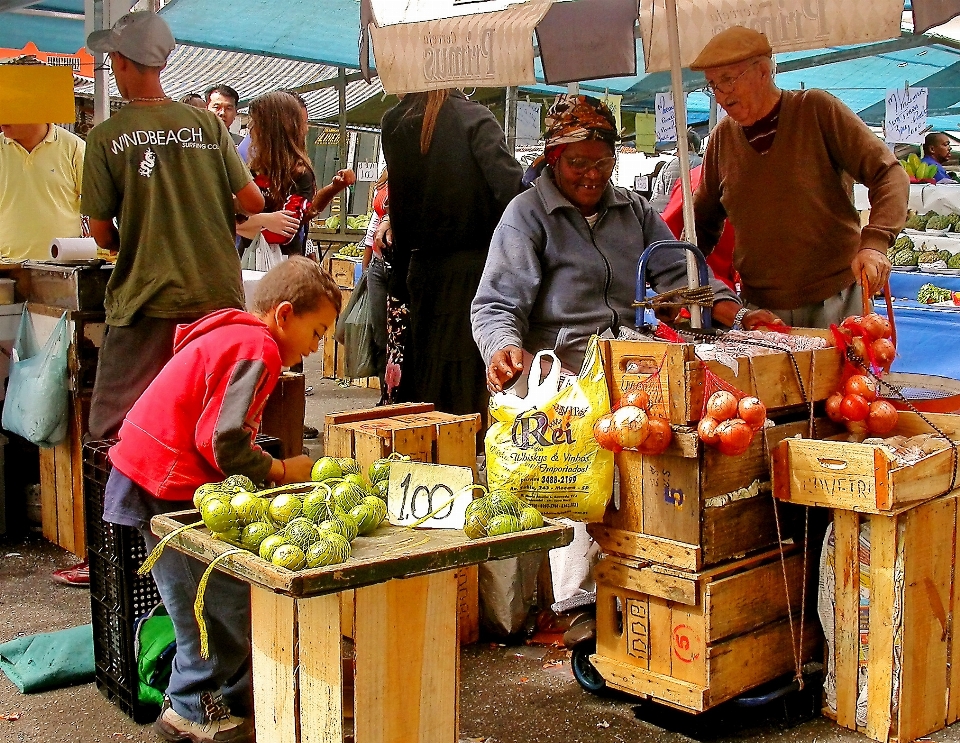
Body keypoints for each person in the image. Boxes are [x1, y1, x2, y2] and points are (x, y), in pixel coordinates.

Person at [102, 257, 340, 743]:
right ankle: (190, 709)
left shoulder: (234, 335)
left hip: (149, 474)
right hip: (161, 486)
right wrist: (277, 470)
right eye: (316, 333)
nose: (316, 348)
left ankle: (216, 696)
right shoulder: (259, 350)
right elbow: (222, 441)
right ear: (285, 315)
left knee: (202, 599)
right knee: (216, 605)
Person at [472, 94, 769, 392]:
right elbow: (496, 305)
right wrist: (502, 344)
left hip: (632, 368)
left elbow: (682, 274)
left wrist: (741, 315)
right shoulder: (526, 215)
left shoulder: (634, 209)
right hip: (559, 376)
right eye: (578, 163)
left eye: (603, 163)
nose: (592, 174)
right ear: (554, 158)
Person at [82, 11, 265, 442]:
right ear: (162, 64)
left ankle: (126, 510)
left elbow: (102, 232)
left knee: (112, 428)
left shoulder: (107, 136)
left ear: (121, 62)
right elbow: (253, 201)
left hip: (149, 298)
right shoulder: (206, 124)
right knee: (207, 420)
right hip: (217, 296)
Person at [692, 26, 909, 328]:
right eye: (712, 85)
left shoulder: (816, 110)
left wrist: (875, 242)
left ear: (764, 72)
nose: (721, 94)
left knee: (845, 377)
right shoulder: (721, 139)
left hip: (836, 299)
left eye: (728, 80)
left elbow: (888, 172)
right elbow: (701, 221)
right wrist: (681, 271)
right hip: (762, 310)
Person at [381, 89, 523, 416]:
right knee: (468, 381)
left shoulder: (395, 121)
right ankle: (466, 457)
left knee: (429, 377)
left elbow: (399, 207)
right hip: (474, 273)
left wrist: (399, 279)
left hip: (420, 272)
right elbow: (512, 193)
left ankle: (434, 453)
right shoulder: (474, 117)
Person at [236, 91, 355, 259]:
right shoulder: (246, 162)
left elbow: (286, 229)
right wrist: (264, 220)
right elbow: (223, 217)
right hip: (247, 258)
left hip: (283, 263)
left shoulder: (299, 172)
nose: (250, 128)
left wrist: (249, 222)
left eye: (254, 122)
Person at [0, 120, 84, 262]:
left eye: (11, 109)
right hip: (6, 265)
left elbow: (98, 205)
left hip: (63, 264)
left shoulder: (74, 147)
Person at [361, 170, 389, 400]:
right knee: (380, 335)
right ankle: (386, 392)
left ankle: (401, 394)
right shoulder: (383, 184)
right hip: (379, 266)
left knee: (401, 337)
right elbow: (374, 224)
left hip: (403, 266)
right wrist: (365, 267)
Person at [649, 129, 702, 213]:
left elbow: (656, 197)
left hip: (667, 215)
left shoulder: (667, 166)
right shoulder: (702, 164)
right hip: (692, 215)